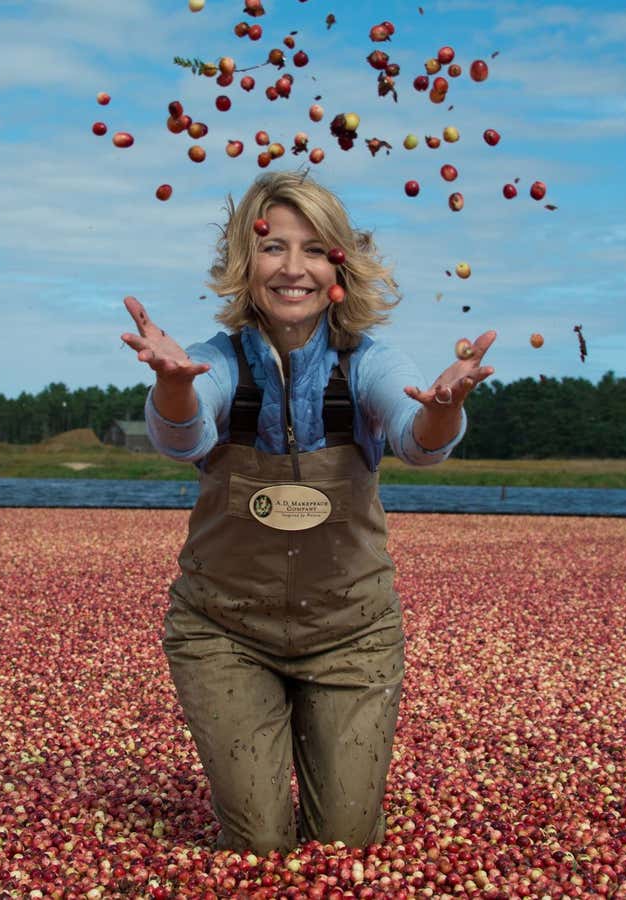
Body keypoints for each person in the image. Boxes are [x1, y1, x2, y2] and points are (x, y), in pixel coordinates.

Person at [120, 171, 496, 854]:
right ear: (244, 263)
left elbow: (417, 440)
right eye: (273, 248)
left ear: (339, 268)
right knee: (260, 847)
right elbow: (185, 437)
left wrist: (447, 411)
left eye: (316, 249)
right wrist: (172, 388)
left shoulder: (369, 364)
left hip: (351, 634)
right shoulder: (214, 364)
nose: (294, 268)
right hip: (224, 632)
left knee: (344, 846)